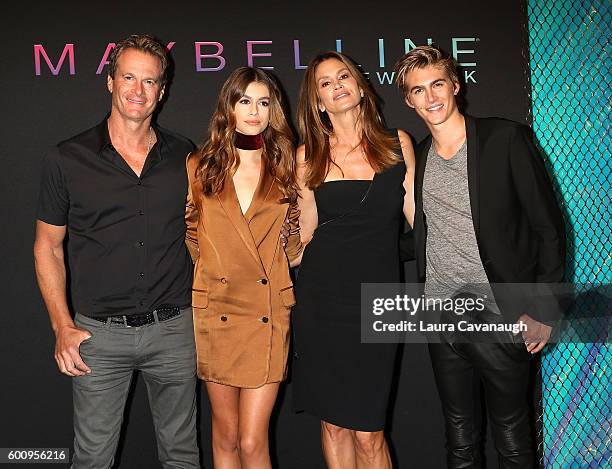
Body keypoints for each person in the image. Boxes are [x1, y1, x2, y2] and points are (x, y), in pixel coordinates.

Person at [394, 45, 565, 467]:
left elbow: (550, 228)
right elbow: (424, 235)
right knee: (459, 438)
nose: (431, 97)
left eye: (437, 84)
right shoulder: (419, 155)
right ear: (409, 100)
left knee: (511, 439)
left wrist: (544, 309)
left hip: (497, 312)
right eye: (419, 90)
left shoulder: (505, 138)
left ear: (455, 85)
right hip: (440, 312)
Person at [33, 34, 199, 468]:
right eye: (128, 77)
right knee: (92, 459)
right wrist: (61, 327)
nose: (137, 91)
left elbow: (204, 235)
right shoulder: (67, 158)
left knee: (182, 455)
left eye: (149, 81)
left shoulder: (184, 155)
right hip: (98, 336)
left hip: (175, 330)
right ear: (110, 81)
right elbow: (47, 247)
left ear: (162, 91)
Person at [291, 51, 415, 468]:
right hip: (321, 303)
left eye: (343, 76)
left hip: (378, 304)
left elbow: (420, 223)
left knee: (369, 431)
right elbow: (305, 234)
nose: (336, 85)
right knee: (334, 426)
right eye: (325, 83)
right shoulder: (307, 156)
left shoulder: (398, 145)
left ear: (361, 86)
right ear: (318, 101)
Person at [185, 67, 302, 468]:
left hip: (267, 311)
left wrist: (281, 255)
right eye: (245, 101)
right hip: (217, 310)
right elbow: (192, 233)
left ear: (274, 110)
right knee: (226, 436)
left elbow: (296, 241)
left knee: (254, 441)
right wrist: (217, 264)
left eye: (264, 102)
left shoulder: (287, 166)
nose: (254, 111)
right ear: (229, 106)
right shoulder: (200, 166)